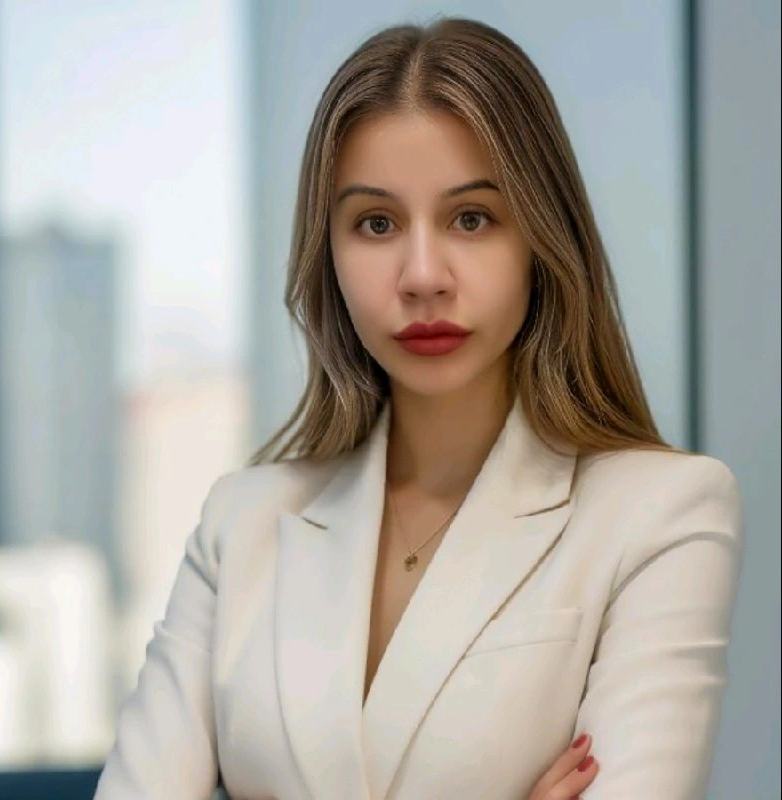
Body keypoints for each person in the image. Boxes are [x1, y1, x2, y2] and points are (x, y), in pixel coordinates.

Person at [94, 16, 744, 800]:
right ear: (328, 254)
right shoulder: (242, 524)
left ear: (542, 237)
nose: (423, 275)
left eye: (472, 219)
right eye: (376, 223)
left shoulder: (663, 515)